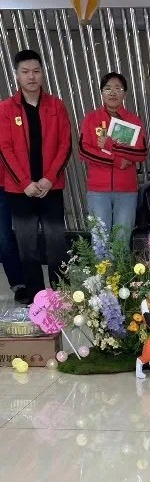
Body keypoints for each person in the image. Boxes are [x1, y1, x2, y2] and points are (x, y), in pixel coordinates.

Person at [0, 50, 71, 302]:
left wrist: (49, 178)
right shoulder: (6, 109)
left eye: (36, 71)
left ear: (43, 73)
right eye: (25, 72)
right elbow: (4, 149)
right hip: (20, 190)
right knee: (26, 244)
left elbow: (65, 144)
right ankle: (36, 295)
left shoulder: (56, 106)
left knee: (56, 242)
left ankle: (61, 293)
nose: (31, 76)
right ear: (16, 75)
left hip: (51, 187)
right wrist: (25, 183)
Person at [79, 72, 148, 245]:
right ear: (101, 92)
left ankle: (121, 265)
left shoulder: (133, 121)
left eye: (118, 88)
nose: (112, 92)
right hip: (98, 191)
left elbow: (141, 153)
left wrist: (111, 145)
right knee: (100, 242)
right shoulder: (91, 118)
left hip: (126, 190)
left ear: (125, 94)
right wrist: (118, 160)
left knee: (122, 242)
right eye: (108, 88)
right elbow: (84, 151)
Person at [0, 160, 29, 303]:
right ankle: (19, 284)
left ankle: (25, 283)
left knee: (7, 238)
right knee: (3, 238)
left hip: (14, 181)